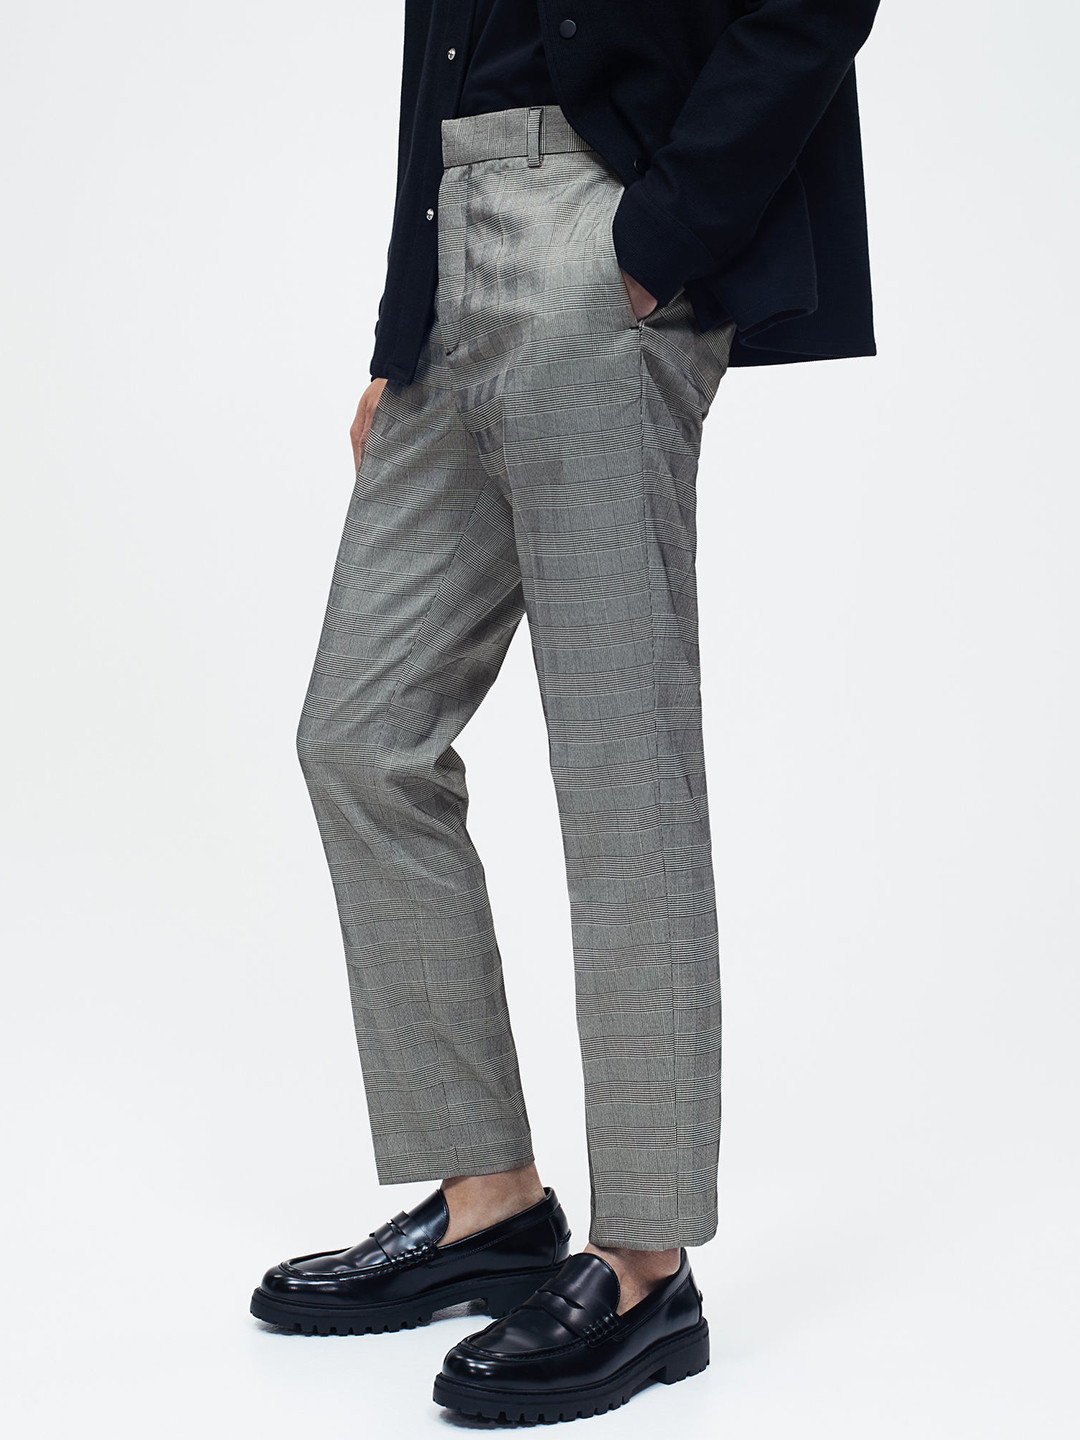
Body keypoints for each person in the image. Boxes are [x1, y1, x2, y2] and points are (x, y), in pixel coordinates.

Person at [250, 0, 881, 1422]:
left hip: (605, 231)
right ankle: (489, 1202)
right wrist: (404, 324)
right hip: (456, 243)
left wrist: (660, 242)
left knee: (618, 769)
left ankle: (645, 1264)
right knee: (360, 740)